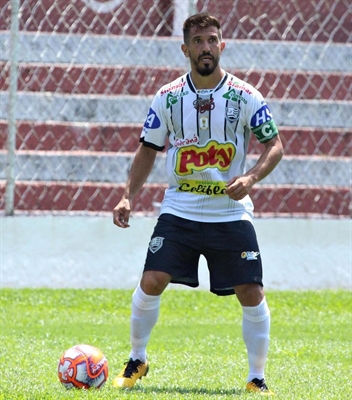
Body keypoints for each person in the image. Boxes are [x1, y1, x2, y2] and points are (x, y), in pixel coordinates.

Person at [112, 12, 283, 396]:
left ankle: (257, 377)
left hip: (230, 212)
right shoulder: (168, 97)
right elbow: (148, 149)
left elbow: (275, 145)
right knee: (151, 281)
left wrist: (251, 177)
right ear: (185, 48)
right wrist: (127, 195)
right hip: (180, 209)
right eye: (199, 41)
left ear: (222, 46)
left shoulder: (246, 95)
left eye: (212, 40)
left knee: (250, 291)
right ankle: (137, 358)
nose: (206, 47)